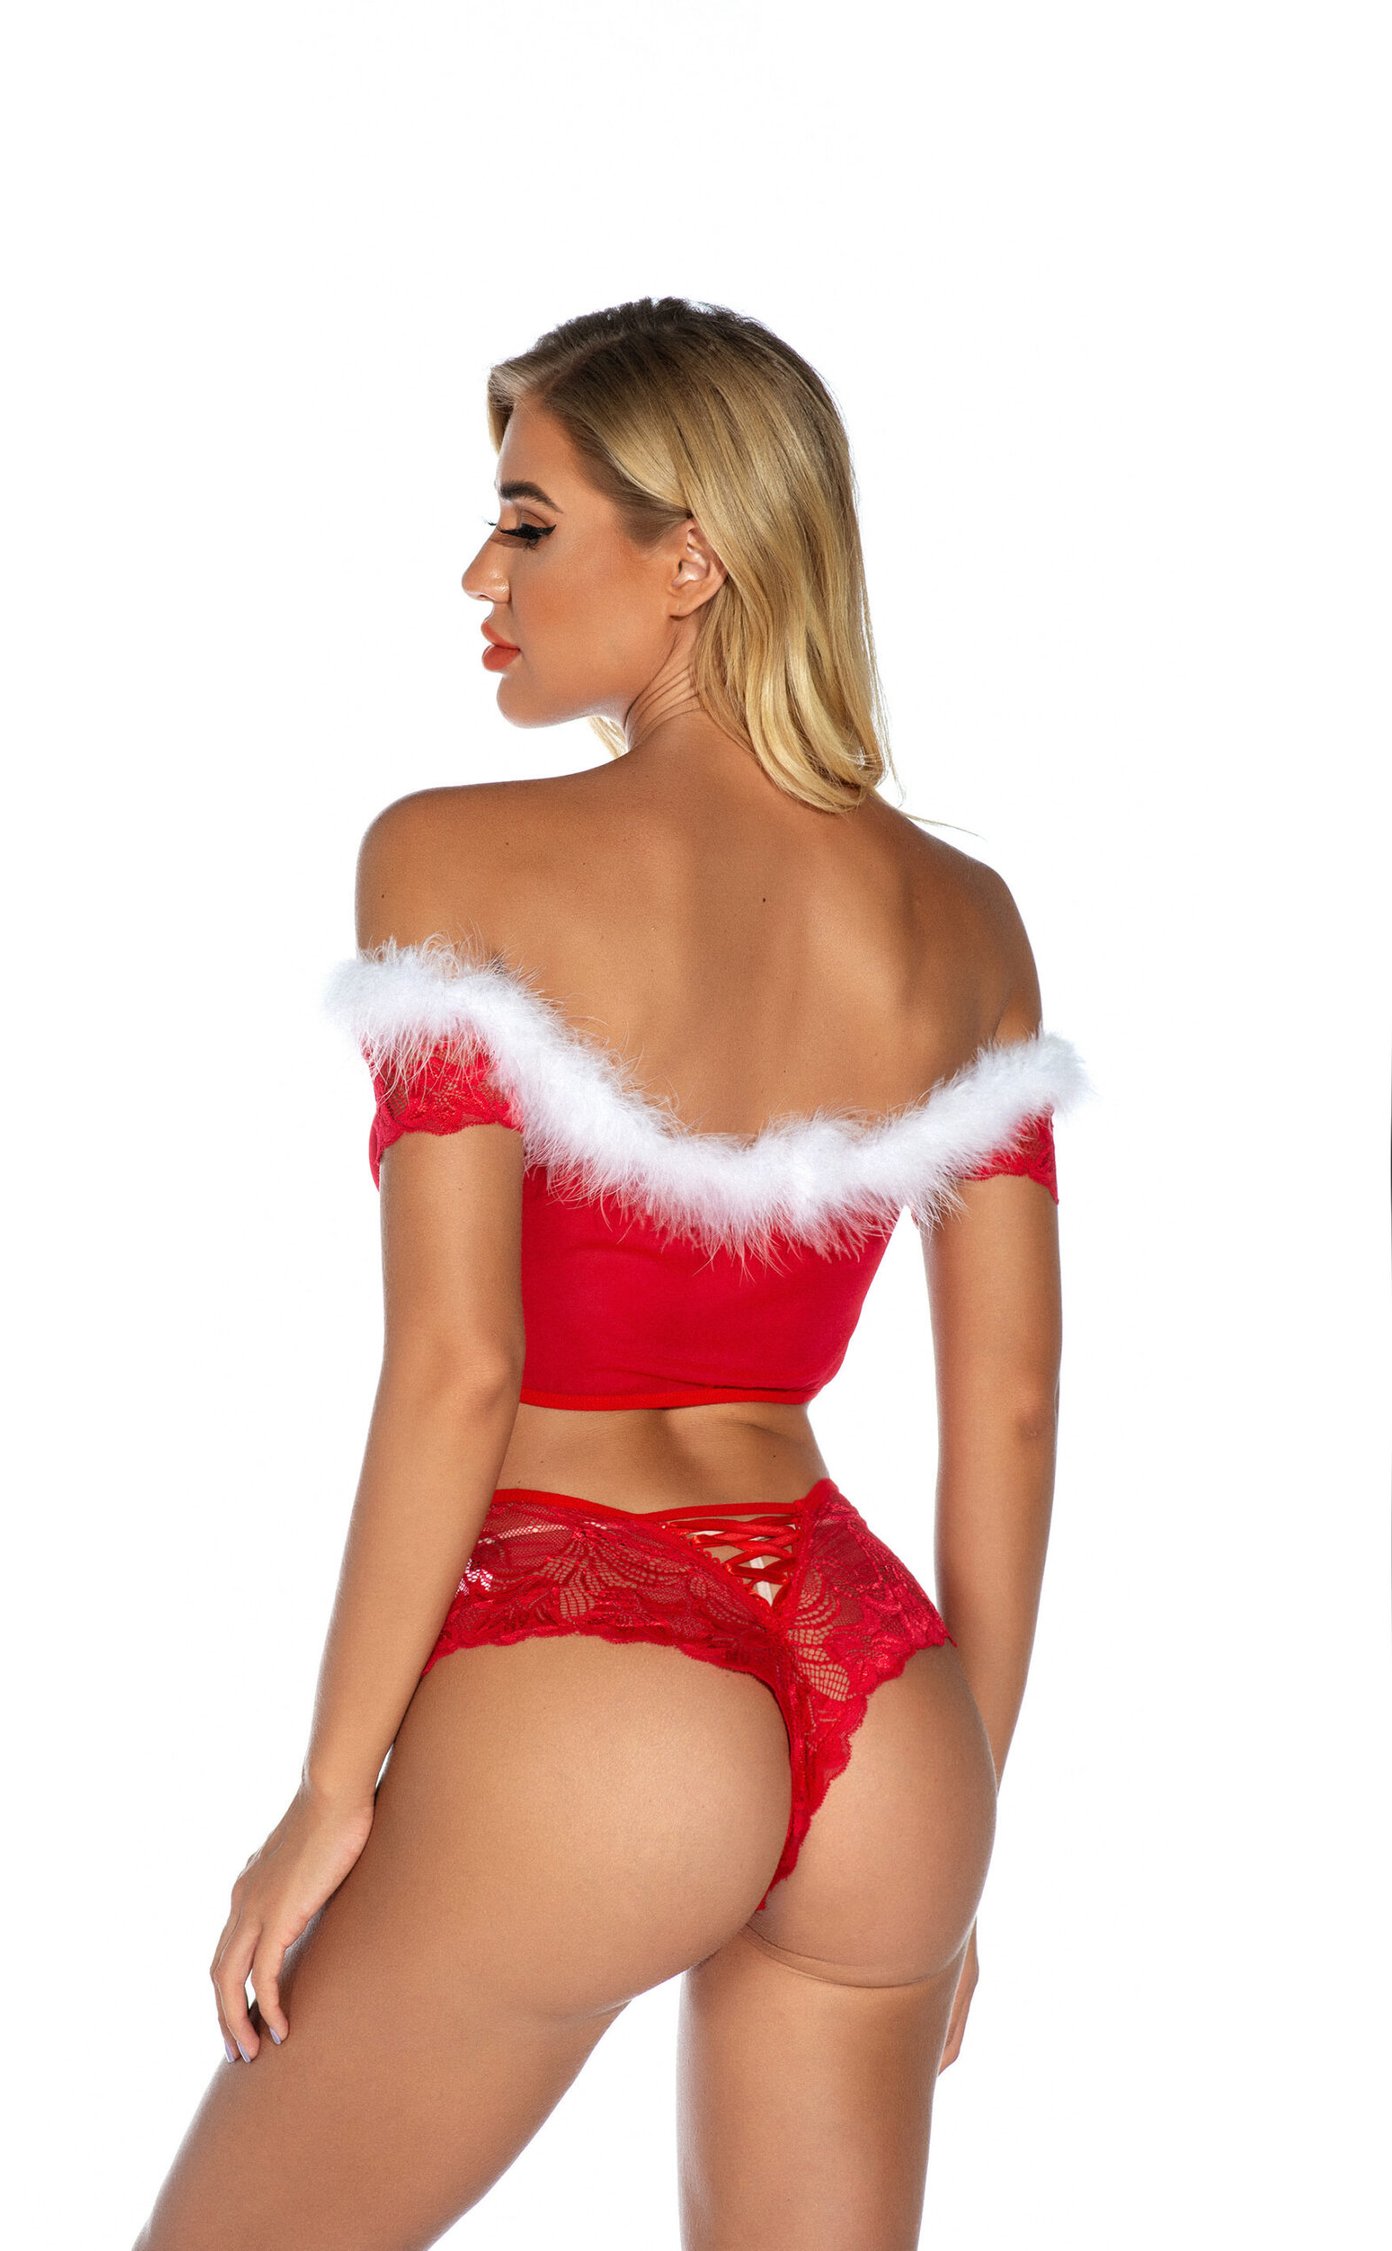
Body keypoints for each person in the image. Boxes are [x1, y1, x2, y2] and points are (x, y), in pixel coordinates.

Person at [133, 296, 1093, 2251]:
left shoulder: (453, 858)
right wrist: (962, 1821)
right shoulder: (965, 918)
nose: (477, 577)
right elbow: (1007, 1403)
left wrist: (330, 1790)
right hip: (881, 1704)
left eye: (526, 521)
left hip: (592, 1678)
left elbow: (460, 1369)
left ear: (691, 558)